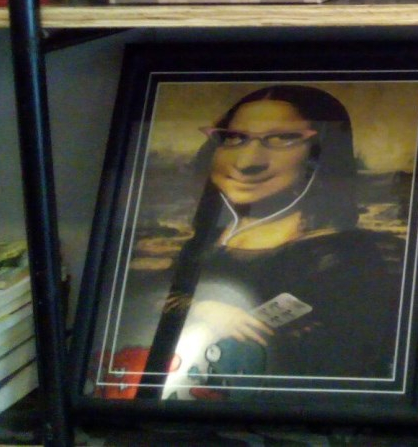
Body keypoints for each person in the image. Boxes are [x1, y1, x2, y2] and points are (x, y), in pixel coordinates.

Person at [142, 85, 404, 400]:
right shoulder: (209, 241)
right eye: (234, 138)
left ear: (322, 154)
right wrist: (205, 309)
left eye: (282, 139)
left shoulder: (347, 256)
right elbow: (144, 302)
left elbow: (343, 362)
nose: (247, 161)